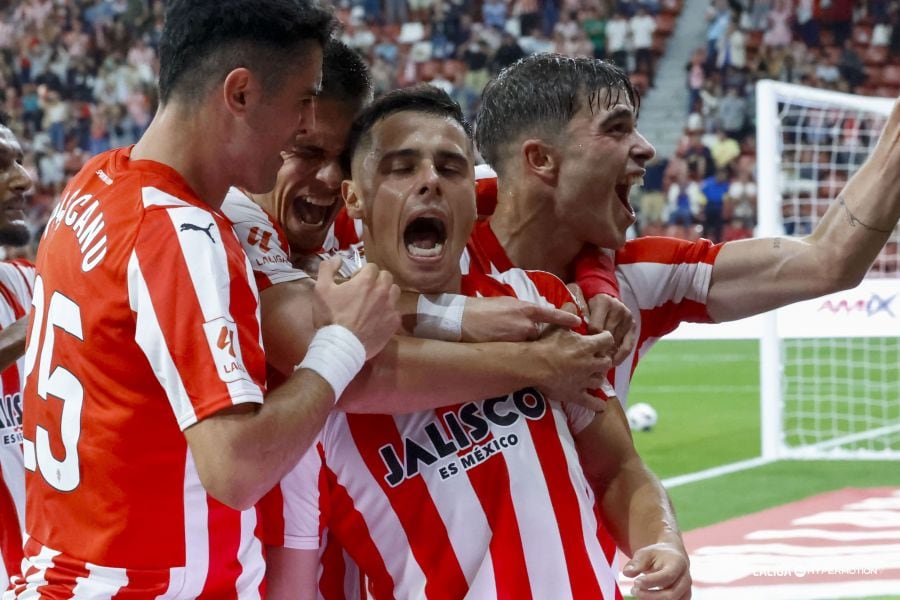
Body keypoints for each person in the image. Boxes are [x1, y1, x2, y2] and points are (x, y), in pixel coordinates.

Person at [7, 2, 402, 597]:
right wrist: (344, 344)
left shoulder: (91, 185)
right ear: (239, 93)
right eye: (301, 100)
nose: (304, 126)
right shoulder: (179, 234)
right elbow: (236, 469)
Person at [267, 85, 688, 600]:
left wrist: (663, 543)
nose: (430, 183)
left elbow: (619, 468)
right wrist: (532, 362)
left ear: (475, 189)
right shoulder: (320, 359)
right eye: (401, 168)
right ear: (354, 197)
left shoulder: (539, 301)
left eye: (450, 168)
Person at [472, 53, 900, 409]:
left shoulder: (640, 277)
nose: (647, 147)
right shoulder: (429, 264)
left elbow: (827, 261)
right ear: (541, 160)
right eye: (617, 128)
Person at [0, 114, 37, 587]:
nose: (24, 179)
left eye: (21, 162)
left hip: (52, 575)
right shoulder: (46, 302)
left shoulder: (28, 283)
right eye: (1, 164)